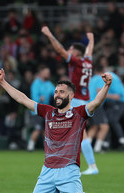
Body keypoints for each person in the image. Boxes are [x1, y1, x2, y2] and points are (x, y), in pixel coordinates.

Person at [0, 68, 112, 193]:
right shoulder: (48, 112)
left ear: (71, 96)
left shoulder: (79, 113)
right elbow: (22, 99)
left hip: (69, 170)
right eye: (56, 91)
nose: (57, 95)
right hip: (48, 170)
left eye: (62, 92)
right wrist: (3, 82)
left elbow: (96, 102)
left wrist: (106, 85)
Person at [41, 26, 98, 175]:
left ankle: (92, 166)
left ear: (76, 52)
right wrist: (91, 40)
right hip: (85, 100)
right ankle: (82, 164)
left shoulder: (76, 62)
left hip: (76, 100)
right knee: (78, 134)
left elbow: (60, 50)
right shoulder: (88, 63)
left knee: (80, 134)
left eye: (71, 49)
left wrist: (49, 34)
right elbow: (89, 51)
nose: (69, 50)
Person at [27, 65, 55, 151]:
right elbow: (34, 97)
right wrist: (39, 98)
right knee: (38, 129)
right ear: (41, 73)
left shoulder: (49, 84)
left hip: (46, 111)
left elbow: (55, 93)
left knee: (46, 131)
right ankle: (30, 146)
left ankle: (47, 148)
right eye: (46, 72)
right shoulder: (36, 83)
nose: (48, 74)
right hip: (36, 110)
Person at [87, 65, 109, 153]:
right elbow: (99, 90)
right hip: (96, 105)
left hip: (88, 104)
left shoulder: (91, 79)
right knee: (105, 126)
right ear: (103, 71)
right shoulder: (100, 79)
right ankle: (97, 148)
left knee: (94, 126)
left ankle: (86, 148)